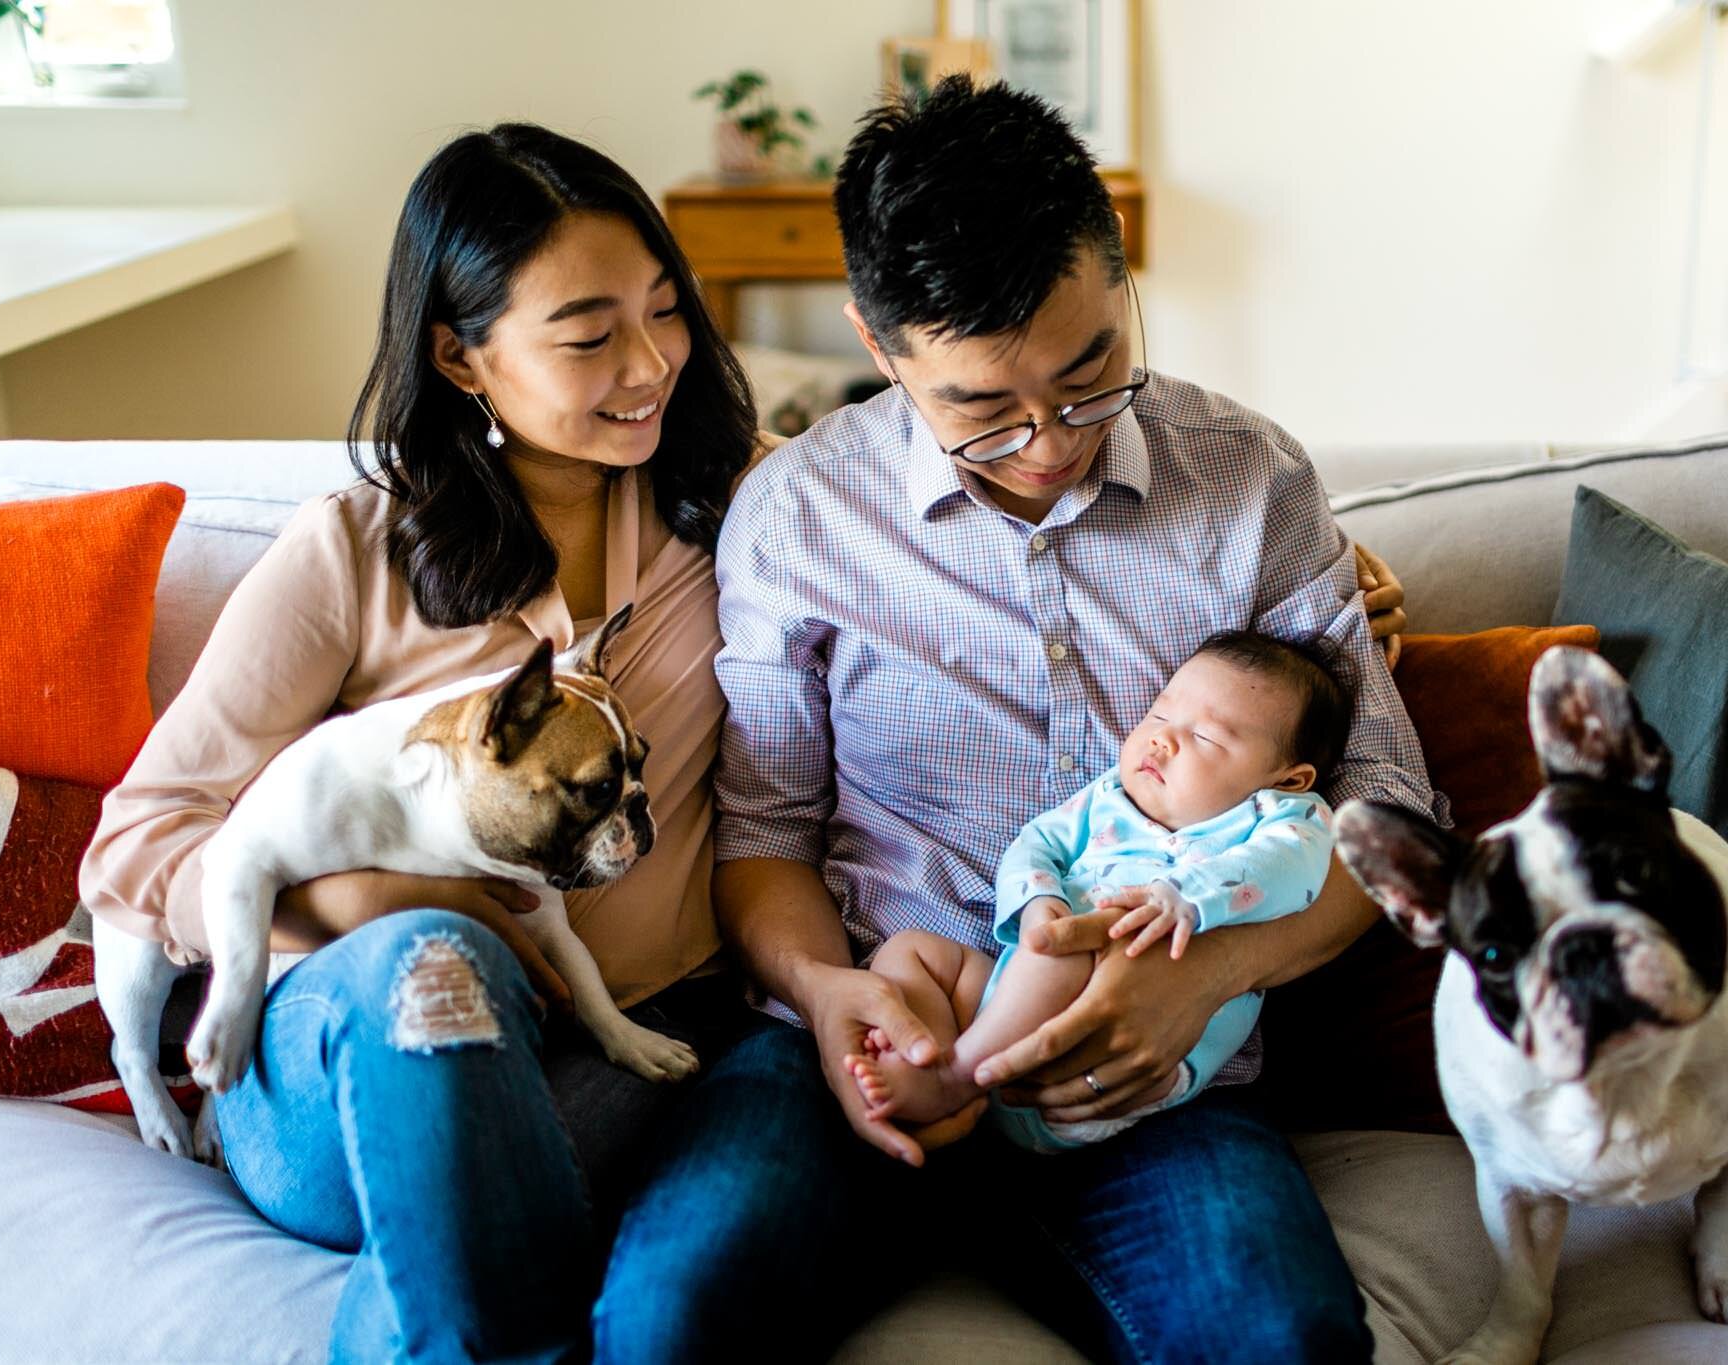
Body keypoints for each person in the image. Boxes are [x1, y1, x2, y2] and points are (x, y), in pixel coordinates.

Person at [597, 77, 1447, 1362]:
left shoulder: (1249, 478)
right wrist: (829, 999)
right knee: (668, 1317)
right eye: (980, 409)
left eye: (1089, 370)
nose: (1048, 443)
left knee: (1280, 1338)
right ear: (879, 351)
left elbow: (1388, 814)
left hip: (1153, 1070)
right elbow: (761, 837)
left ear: (1118, 279)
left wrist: (1203, 980)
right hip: (874, 1030)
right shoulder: (801, 516)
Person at [79, 123, 760, 1363]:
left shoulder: (747, 520)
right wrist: (363, 899)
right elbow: (139, 838)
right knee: (435, 958)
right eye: (589, 332)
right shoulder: (354, 549)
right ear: (459, 356)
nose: (652, 360)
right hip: (340, 1068)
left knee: (553, 1250)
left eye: (666, 310)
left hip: (618, 1042)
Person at [848, 630, 1351, 1153]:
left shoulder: (1288, 817)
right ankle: (925, 1055)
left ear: (1288, 779)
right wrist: (1040, 900)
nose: (1163, 739)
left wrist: (1183, 894)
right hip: (1008, 1007)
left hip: (1119, 1058)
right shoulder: (1111, 794)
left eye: (1207, 737)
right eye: (1159, 714)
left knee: (1069, 948)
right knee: (914, 951)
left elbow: (1289, 870)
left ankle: (955, 1080)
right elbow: (1037, 842)